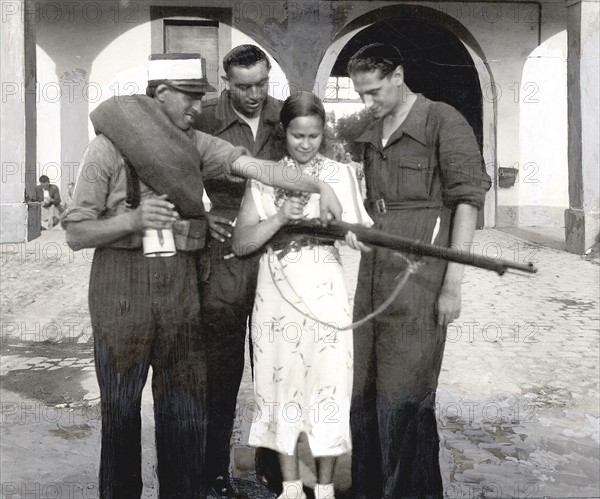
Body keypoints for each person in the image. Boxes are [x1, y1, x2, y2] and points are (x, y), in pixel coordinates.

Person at [62, 53, 341, 499]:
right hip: (121, 287)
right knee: (120, 410)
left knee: (184, 410)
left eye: (200, 97)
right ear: (161, 95)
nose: (197, 107)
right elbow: (76, 231)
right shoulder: (106, 147)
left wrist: (316, 184)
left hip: (180, 285)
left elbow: (253, 166)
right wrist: (132, 221)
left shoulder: (192, 142)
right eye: (189, 97)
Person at [345, 44, 491, 498]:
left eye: (374, 92)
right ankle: (370, 487)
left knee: (405, 389)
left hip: (422, 266)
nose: (368, 102)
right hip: (374, 267)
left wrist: (453, 285)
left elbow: (466, 203)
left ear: (398, 75)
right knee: (364, 385)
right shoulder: (370, 126)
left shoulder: (443, 120)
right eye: (361, 94)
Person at [233, 91, 373, 499]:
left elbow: (358, 232)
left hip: (326, 290)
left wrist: (352, 236)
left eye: (313, 136)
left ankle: (325, 488)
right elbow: (242, 243)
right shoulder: (265, 175)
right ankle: (291, 487)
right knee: (282, 384)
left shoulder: (342, 174)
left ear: (323, 133)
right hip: (276, 293)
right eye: (298, 136)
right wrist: (279, 217)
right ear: (285, 133)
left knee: (329, 383)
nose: (306, 144)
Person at [192, 44, 287, 498]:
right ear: (227, 82)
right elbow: (175, 169)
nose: (254, 95)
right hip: (227, 254)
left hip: (278, 253)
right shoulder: (207, 118)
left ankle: (272, 470)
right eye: (244, 86)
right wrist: (197, 214)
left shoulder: (287, 116)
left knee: (273, 367)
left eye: (261, 84)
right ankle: (214, 471)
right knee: (220, 371)